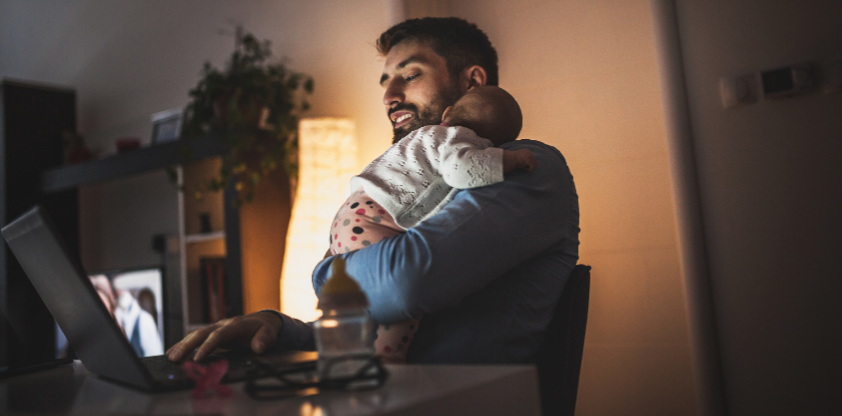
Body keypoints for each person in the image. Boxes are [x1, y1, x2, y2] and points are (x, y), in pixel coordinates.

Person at [167, 17, 579, 365]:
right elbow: (372, 330)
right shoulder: (421, 188)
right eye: (385, 82)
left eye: (410, 75)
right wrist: (278, 327)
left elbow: (404, 284)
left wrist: (326, 273)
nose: (388, 96)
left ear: (472, 82)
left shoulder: (530, 168)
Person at [332, 85, 535, 362]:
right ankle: (388, 360)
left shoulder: (421, 136)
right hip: (377, 217)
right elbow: (461, 171)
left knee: (360, 307)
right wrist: (509, 159)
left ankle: (349, 355)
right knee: (401, 307)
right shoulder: (460, 138)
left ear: (447, 113)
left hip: (351, 213)